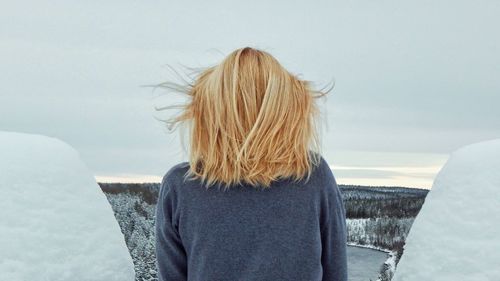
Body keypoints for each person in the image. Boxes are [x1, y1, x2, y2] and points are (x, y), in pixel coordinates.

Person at [154, 47, 347, 281]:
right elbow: (335, 272)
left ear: (210, 109)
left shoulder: (180, 185)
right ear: (287, 109)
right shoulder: (312, 175)